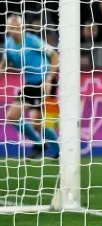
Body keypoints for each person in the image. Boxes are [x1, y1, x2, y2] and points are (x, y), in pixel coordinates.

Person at [2, 16, 59, 158]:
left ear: (23, 28)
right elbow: (5, 64)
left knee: (37, 124)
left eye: (17, 27)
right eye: (11, 28)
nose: (14, 30)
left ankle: (60, 150)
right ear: (7, 29)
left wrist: (49, 79)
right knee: (12, 116)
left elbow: (55, 57)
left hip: (45, 82)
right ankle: (39, 144)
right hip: (31, 84)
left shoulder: (32, 40)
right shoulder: (8, 43)